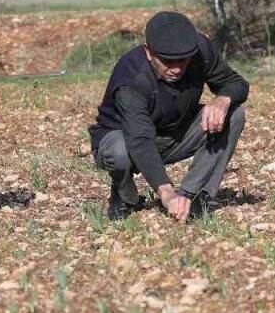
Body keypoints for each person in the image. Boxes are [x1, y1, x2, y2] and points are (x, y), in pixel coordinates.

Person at [88, 11, 249, 222]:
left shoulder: (200, 49)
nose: (176, 68)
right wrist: (166, 192)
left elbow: (236, 83)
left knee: (234, 114)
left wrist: (223, 99)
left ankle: (195, 195)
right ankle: (124, 194)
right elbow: (140, 139)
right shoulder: (131, 78)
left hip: (175, 135)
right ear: (148, 52)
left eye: (183, 60)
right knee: (119, 151)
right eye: (167, 61)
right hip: (126, 140)